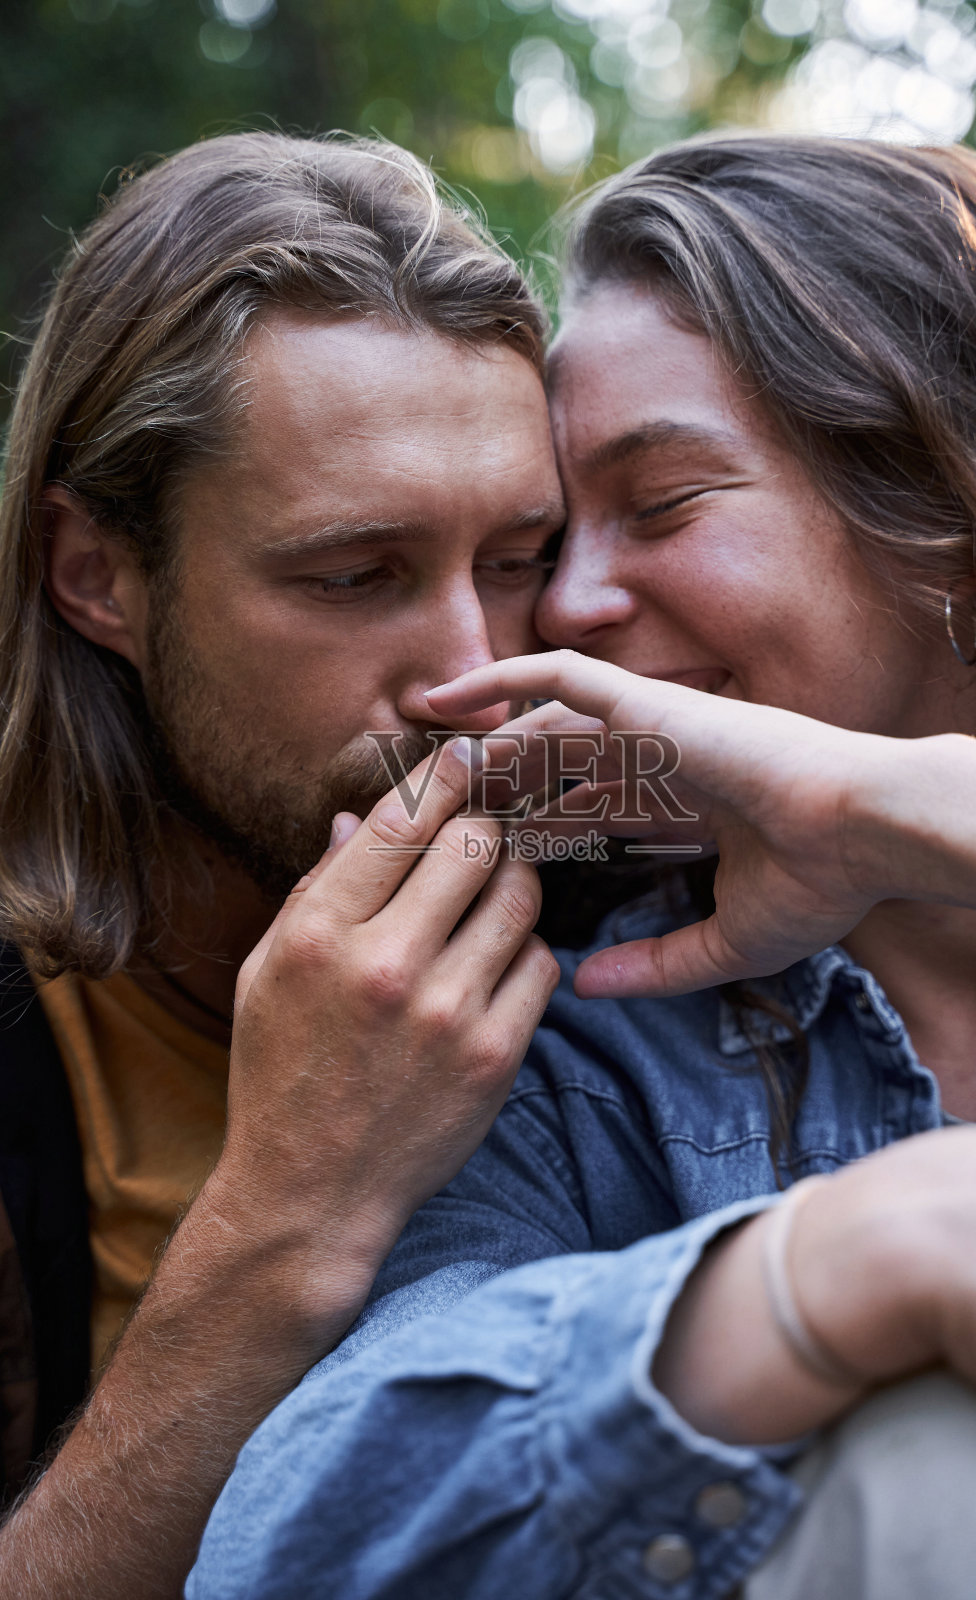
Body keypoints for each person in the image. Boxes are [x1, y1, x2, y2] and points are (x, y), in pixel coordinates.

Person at [188, 137, 976, 1600]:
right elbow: (294, 1535)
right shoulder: (584, 1021)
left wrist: (957, 811)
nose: (571, 610)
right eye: (557, 542)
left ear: (948, 508)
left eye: (659, 506)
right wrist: (843, 1264)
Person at [0, 130, 564, 1598]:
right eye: (353, 575)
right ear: (97, 576)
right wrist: (287, 1221)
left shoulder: (656, 913)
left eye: (520, 557)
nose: (479, 671)